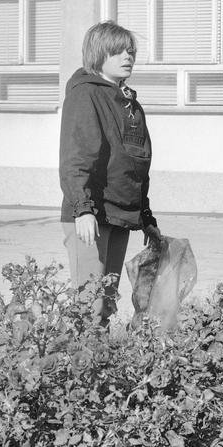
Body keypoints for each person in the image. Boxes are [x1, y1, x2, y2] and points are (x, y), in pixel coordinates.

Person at [59, 21, 161, 322]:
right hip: (92, 215)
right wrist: (83, 210)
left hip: (120, 214)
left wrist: (146, 218)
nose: (128, 57)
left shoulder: (129, 103)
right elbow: (76, 156)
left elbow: (136, 164)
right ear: (98, 54)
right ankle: (79, 366)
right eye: (118, 51)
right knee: (89, 304)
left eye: (131, 51)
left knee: (105, 303)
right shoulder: (85, 95)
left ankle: (100, 367)